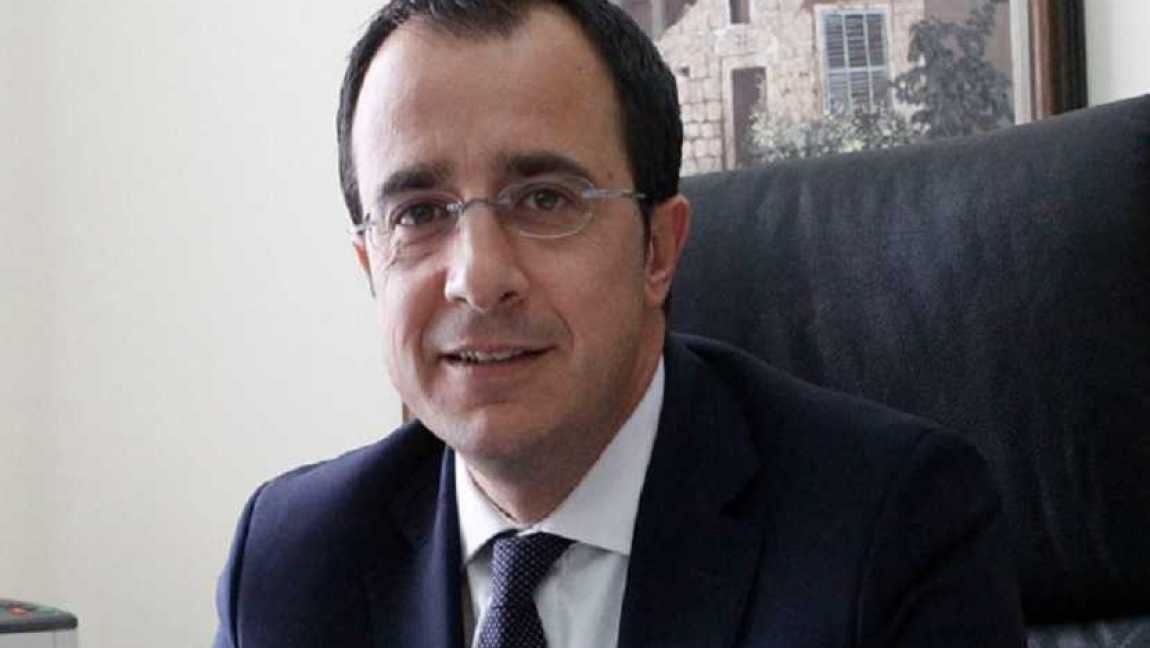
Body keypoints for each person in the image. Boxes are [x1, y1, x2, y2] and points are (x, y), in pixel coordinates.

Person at [213, 1, 1026, 646]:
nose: (477, 279)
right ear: (370, 266)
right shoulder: (291, 563)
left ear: (657, 250)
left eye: (544, 200)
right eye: (419, 213)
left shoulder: (892, 529)